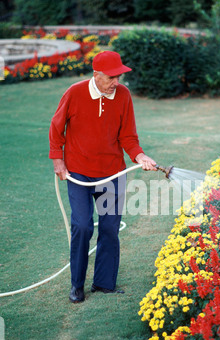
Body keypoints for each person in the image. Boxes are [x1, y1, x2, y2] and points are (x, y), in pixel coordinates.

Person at [49, 51, 157, 303]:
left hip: (112, 173)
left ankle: (104, 283)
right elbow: (57, 127)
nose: (115, 82)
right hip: (79, 174)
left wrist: (139, 156)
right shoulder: (75, 93)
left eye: (118, 76)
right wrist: (58, 159)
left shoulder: (123, 96)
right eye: (110, 77)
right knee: (83, 226)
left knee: (109, 229)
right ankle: (77, 285)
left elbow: (128, 136)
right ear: (96, 75)